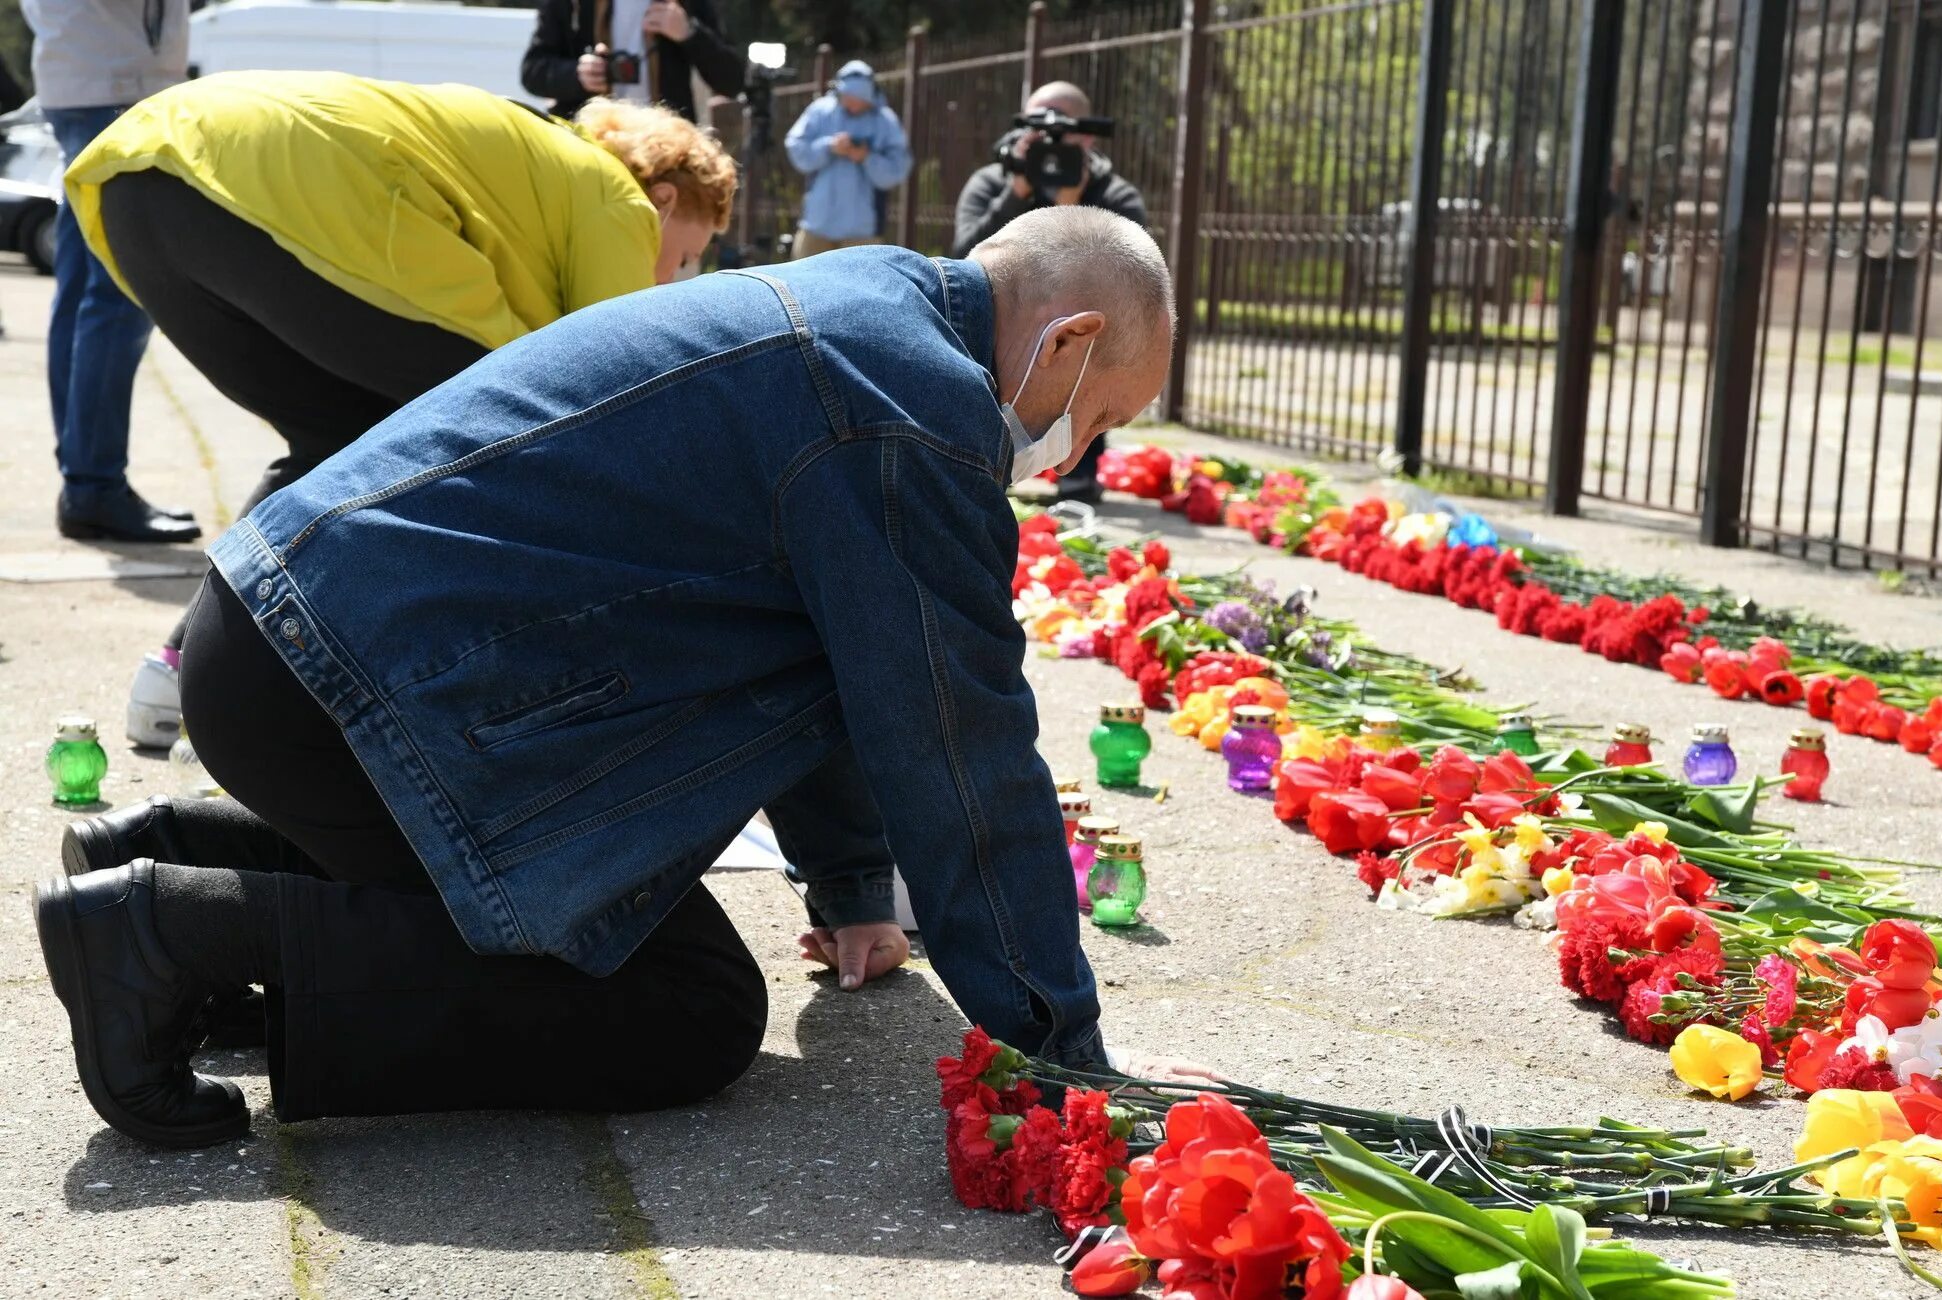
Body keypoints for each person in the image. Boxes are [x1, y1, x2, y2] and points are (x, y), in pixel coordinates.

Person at [34, 206, 1208, 1148]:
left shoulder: (869, 312)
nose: (1071, 461)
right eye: (1097, 420)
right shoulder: (913, 411)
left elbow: (847, 654)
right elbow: (962, 746)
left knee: (624, 944)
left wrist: (852, 881)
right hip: (352, 694)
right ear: (1067, 342)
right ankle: (168, 931)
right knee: (682, 1005)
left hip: (286, 653)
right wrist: (1062, 1049)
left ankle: (185, 855)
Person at [62, 71, 738, 749]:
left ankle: (178, 674)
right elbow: (609, 390)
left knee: (330, 445)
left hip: (145, 177)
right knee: (509, 441)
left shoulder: (539, 165)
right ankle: (463, 706)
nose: (673, 282)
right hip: (274, 184)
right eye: (684, 258)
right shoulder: (618, 197)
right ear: (665, 198)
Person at [22, 0, 198, 543]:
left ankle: (86, 478)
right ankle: (92, 485)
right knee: (117, 294)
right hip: (115, 82)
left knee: (83, 295)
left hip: (92, 76)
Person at [951, 82, 1148, 505]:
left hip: (1078, 329)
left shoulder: (1113, 194)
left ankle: (1078, 473)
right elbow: (961, 259)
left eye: (1064, 127)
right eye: (1038, 126)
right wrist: (1015, 193)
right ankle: (972, 468)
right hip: (998, 319)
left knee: (1095, 341)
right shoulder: (991, 182)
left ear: (1088, 136)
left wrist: (1073, 208)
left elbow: (1130, 278)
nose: (1051, 139)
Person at [521, 0, 745, 123]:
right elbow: (532, 72)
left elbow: (732, 81)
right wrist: (576, 74)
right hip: (589, 149)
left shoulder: (685, 5)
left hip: (664, 153)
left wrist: (688, 32)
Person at [783, 59, 911, 261]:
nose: (852, 104)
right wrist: (829, 147)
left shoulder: (884, 120)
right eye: (848, 97)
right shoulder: (820, 111)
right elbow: (796, 149)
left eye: (858, 99)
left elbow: (898, 169)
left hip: (862, 232)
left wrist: (867, 158)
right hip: (817, 224)